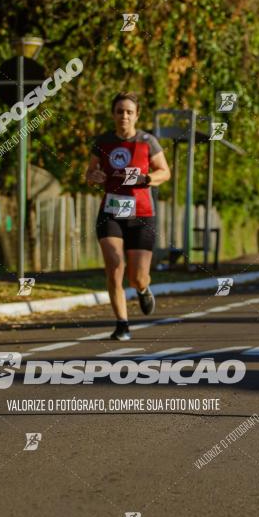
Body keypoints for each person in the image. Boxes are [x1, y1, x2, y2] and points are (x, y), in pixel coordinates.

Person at [86, 93, 170, 341]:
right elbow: (90, 173)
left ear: (136, 115)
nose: (124, 116)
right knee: (114, 265)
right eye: (119, 111)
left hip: (141, 214)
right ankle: (122, 324)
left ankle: (143, 288)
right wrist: (94, 177)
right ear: (113, 114)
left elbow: (165, 172)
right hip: (111, 211)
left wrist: (147, 179)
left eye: (129, 112)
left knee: (136, 277)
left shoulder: (147, 141)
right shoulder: (103, 142)